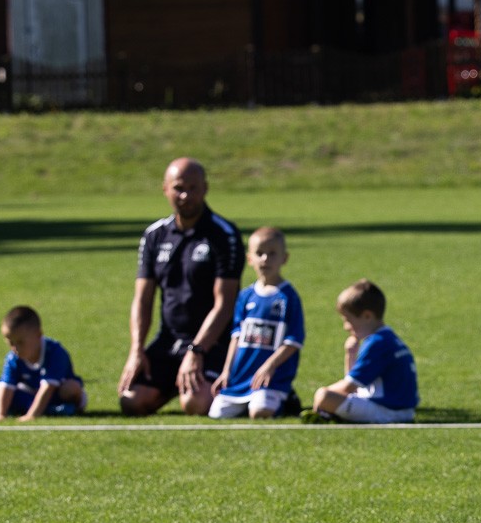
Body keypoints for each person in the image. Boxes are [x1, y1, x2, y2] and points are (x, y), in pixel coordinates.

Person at [119, 158, 244, 416]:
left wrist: (197, 350)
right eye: (178, 188)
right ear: (165, 188)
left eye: (193, 188)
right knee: (131, 400)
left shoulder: (224, 235)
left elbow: (225, 304)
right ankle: (174, 381)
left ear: (205, 188)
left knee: (195, 403)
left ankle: (211, 383)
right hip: (169, 340)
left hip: (213, 343)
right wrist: (137, 350)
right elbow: (142, 299)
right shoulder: (154, 236)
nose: (185, 195)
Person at [209, 227, 305, 419]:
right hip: (241, 377)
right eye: (259, 253)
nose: (265, 259)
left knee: (260, 412)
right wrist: (226, 371)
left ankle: (286, 400)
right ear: (249, 258)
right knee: (217, 413)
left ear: (284, 258)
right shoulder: (245, 296)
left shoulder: (288, 297)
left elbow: (294, 341)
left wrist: (269, 365)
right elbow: (236, 337)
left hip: (271, 378)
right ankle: (250, 401)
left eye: (272, 253)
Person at [310, 279, 418, 423]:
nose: (346, 327)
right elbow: (355, 384)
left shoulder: (377, 343)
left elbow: (349, 387)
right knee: (330, 396)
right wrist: (351, 354)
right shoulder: (389, 337)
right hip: (403, 411)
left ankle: (327, 414)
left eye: (348, 320)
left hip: (387, 412)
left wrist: (322, 396)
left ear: (367, 316)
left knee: (324, 395)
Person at [0, 305, 87, 422]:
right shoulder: (13, 358)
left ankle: (59, 409)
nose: (15, 348)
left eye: (21, 342)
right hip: (31, 394)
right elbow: (6, 385)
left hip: (56, 395)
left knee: (71, 388)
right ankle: (50, 410)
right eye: (11, 342)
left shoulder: (55, 352)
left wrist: (31, 416)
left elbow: (48, 387)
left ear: (38, 334)